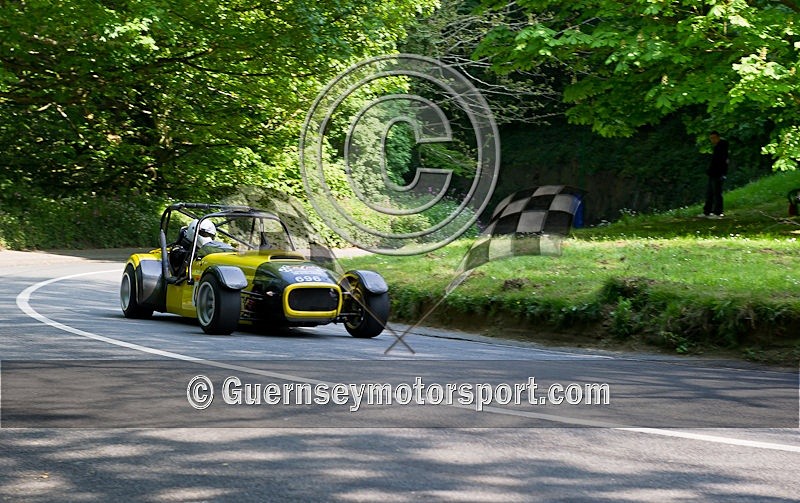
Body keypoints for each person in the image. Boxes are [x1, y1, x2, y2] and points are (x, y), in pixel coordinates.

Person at [701, 131, 729, 218]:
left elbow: (722, 162)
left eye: (713, 138)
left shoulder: (722, 147)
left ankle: (718, 211)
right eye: (711, 138)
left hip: (718, 173)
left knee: (717, 193)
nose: (712, 140)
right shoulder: (717, 147)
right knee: (710, 192)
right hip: (713, 173)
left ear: (718, 137)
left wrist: (722, 173)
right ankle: (708, 211)